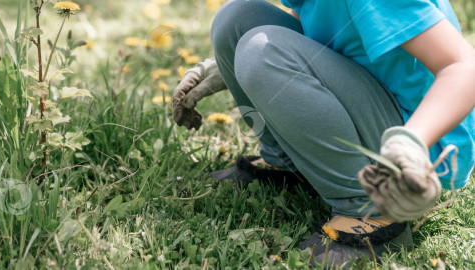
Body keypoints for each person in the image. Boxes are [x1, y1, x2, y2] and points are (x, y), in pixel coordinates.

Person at [173, 0, 475, 266]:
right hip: (372, 101)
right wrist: (224, 65)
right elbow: (319, 26)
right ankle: (288, 165)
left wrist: (413, 141)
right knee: (237, 17)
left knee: (260, 48)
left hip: (415, 143)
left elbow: (463, 66)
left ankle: (369, 213)